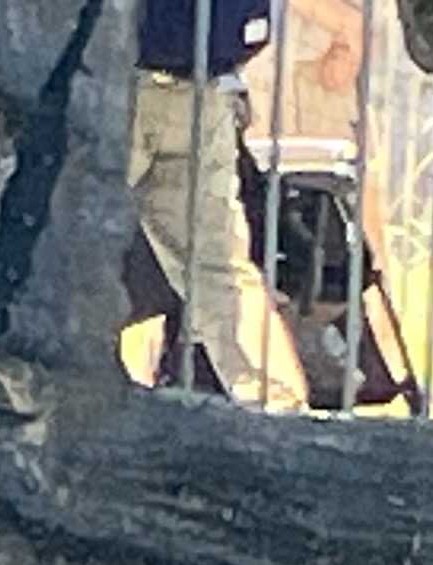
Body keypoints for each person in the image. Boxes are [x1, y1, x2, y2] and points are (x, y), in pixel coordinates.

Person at [128, 0, 303, 404]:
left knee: (58, 243)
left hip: (118, 79)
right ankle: (278, 409)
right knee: (218, 268)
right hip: (206, 86)